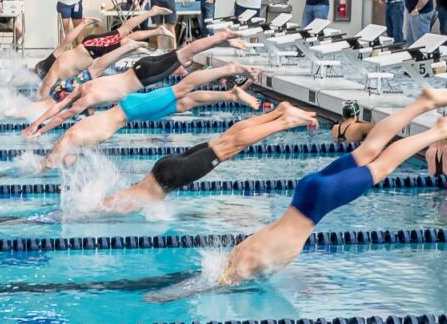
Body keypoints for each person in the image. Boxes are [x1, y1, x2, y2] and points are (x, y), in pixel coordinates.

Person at [152, 90, 447, 296]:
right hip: (305, 195)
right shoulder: (240, 252)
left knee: (380, 166)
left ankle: (437, 131)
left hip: (316, 202)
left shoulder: (242, 265)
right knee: (369, 150)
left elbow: (213, 283)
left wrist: (171, 296)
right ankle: (422, 103)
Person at [99, 103, 323, 213]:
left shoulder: (113, 207)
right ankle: (277, 113)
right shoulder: (113, 198)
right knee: (225, 140)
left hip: (171, 177)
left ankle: (285, 121)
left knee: (229, 147)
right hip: (163, 168)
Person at [41, 63, 263, 170]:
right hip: (133, 113)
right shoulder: (79, 141)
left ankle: (232, 68)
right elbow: (69, 159)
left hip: (132, 109)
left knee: (182, 88)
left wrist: (42, 167)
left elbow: (57, 154)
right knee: (186, 103)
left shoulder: (70, 137)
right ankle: (231, 94)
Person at [23, 30, 248, 136]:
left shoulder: (86, 98)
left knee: (186, 55)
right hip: (141, 65)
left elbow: (62, 113)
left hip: (144, 77)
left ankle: (222, 37)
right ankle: (225, 41)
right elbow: (59, 106)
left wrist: (41, 131)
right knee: (184, 54)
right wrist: (37, 123)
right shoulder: (85, 86)